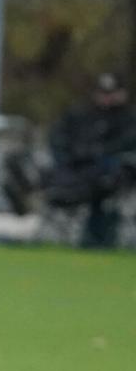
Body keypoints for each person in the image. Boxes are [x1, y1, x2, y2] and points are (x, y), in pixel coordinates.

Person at [46, 71, 136, 248]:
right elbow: (58, 138)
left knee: (106, 182)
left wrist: (97, 154)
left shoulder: (129, 120)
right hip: (75, 172)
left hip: (108, 177)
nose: (106, 98)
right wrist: (69, 156)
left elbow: (125, 147)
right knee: (51, 179)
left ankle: (99, 236)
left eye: (111, 93)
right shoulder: (79, 115)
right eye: (103, 93)